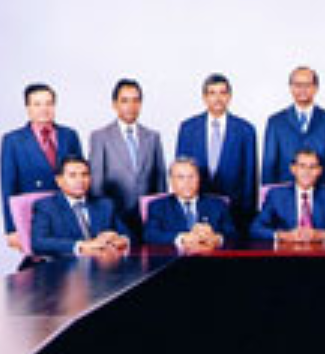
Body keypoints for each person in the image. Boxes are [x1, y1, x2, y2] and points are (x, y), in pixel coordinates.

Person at [2, 83, 82, 251]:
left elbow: (81, 176)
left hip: (67, 212)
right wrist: (11, 228)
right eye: (37, 104)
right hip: (32, 214)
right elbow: (8, 186)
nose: (44, 109)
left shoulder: (69, 135)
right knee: (39, 263)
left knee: (74, 260)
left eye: (48, 103)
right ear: (28, 108)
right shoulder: (13, 140)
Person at [176, 73, 257, 233]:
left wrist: (247, 216)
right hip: (196, 210)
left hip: (234, 212)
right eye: (212, 93)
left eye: (222, 93)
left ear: (229, 96)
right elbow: (179, 172)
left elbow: (250, 178)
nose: (218, 98)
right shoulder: (188, 128)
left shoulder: (245, 130)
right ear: (204, 97)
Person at [89, 79, 167, 241]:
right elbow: (96, 185)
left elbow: (160, 180)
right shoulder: (100, 137)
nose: (131, 106)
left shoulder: (153, 137)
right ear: (115, 104)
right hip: (114, 217)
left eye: (135, 100)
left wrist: (160, 215)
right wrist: (102, 219)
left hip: (147, 218)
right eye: (124, 101)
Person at [262, 66, 325, 185]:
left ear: (316, 88)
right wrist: (268, 194)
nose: (302, 89)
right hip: (285, 193)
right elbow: (269, 165)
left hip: (323, 193)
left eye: (307, 85)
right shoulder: (275, 122)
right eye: (298, 85)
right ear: (291, 88)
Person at [31, 156, 129, 257]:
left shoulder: (105, 205)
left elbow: (126, 234)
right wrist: (81, 245)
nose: (80, 180)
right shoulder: (46, 207)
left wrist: (121, 239)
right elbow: (39, 242)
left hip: (104, 262)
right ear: (59, 180)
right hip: (66, 263)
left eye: (85, 175)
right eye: (72, 175)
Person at [251, 149, 325, 242]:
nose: (307, 172)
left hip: (320, 251)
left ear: (319, 171)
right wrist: (284, 236)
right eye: (302, 166)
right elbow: (256, 229)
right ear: (293, 169)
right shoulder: (276, 195)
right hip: (285, 251)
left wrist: (321, 235)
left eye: (312, 167)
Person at [144, 158, 236, 252]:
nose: (187, 182)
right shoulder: (158, 206)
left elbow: (233, 235)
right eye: (181, 177)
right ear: (171, 181)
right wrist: (183, 238)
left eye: (191, 177)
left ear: (199, 179)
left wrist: (217, 238)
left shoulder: (218, 205)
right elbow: (150, 235)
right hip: (173, 258)